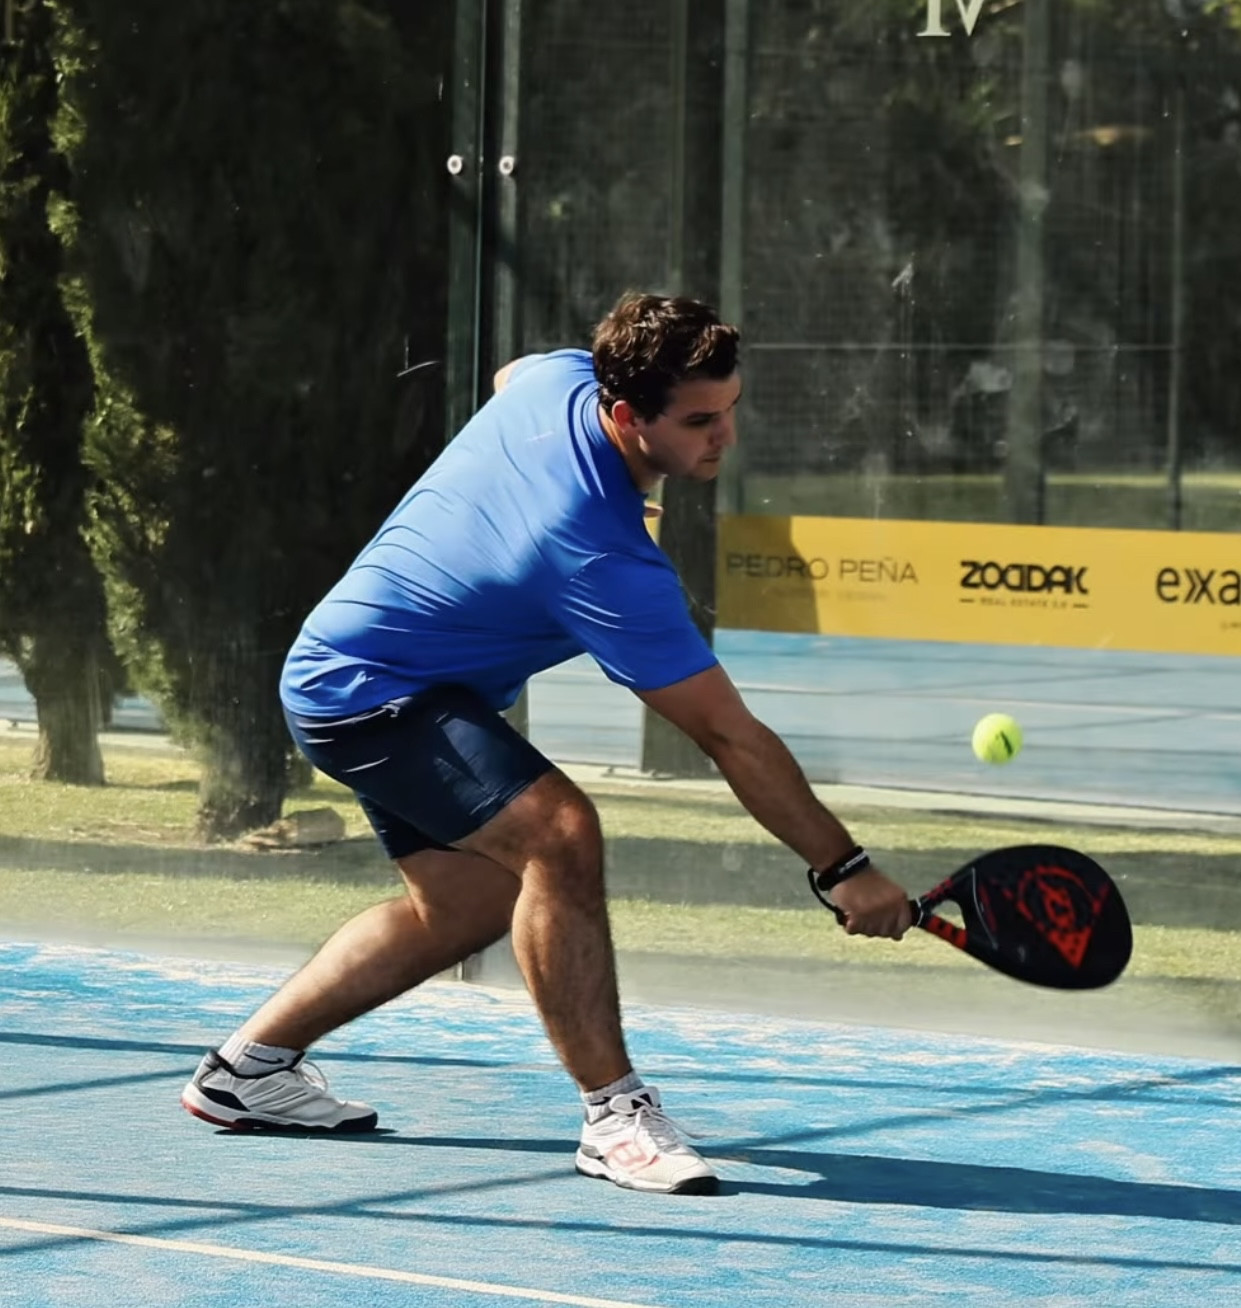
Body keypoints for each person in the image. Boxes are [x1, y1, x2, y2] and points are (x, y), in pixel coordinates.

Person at [181, 292, 912, 1195]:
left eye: (729, 410)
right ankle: (614, 1116)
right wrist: (844, 868)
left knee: (464, 909)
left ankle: (246, 1072)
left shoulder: (561, 380)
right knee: (560, 834)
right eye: (697, 421)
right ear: (625, 415)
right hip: (364, 691)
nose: (723, 436)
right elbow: (725, 734)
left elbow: (512, 375)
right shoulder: (597, 552)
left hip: (384, 676)